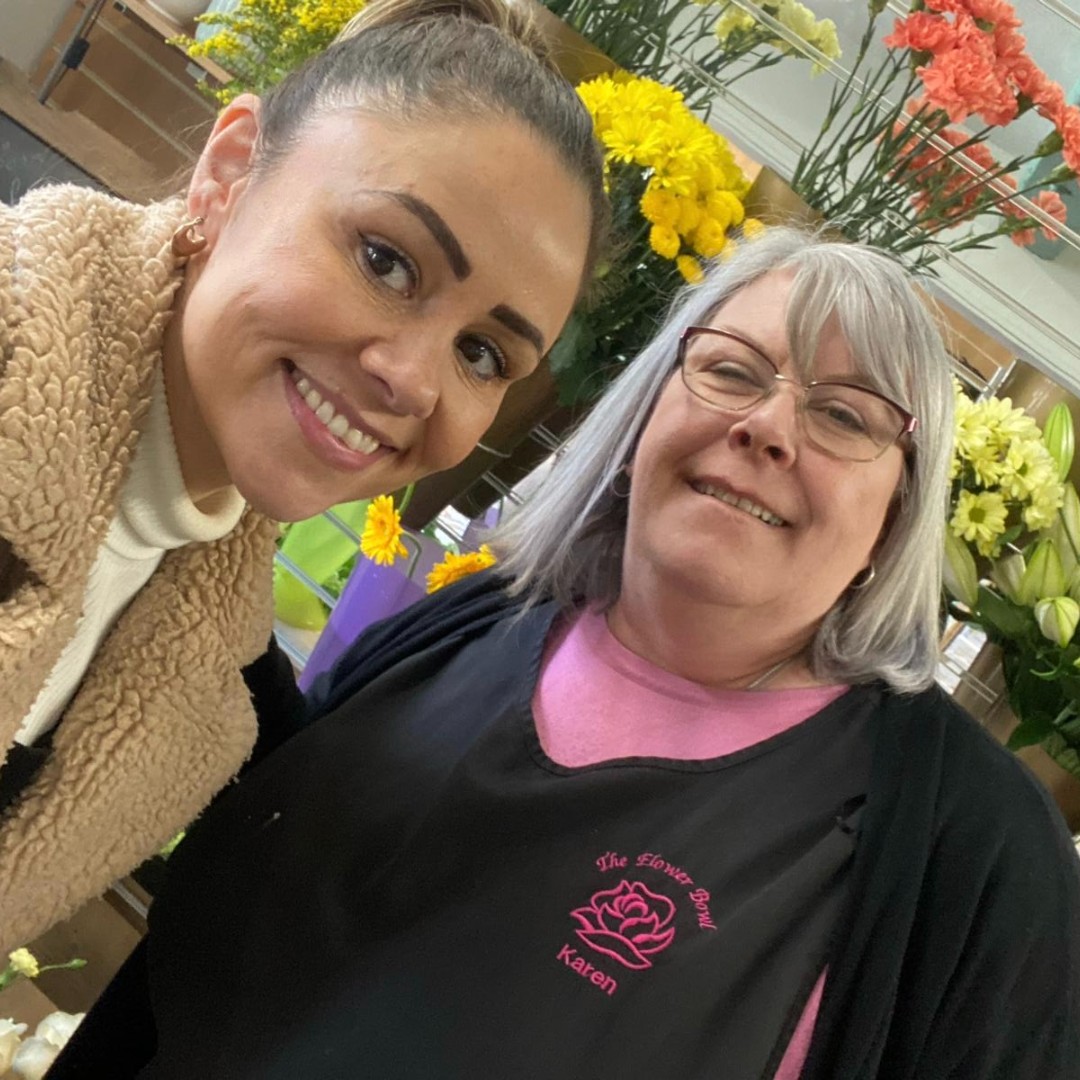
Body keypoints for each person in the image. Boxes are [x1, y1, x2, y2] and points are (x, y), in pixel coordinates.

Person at [53, 228, 1080, 1078]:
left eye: (846, 416)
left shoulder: (970, 849)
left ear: (895, 517)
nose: (769, 428)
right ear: (643, 416)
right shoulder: (472, 622)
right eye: (731, 369)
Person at [0, 0, 606, 952]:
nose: (412, 379)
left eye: (484, 354)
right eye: (386, 260)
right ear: (228, 172)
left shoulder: (210, 675)